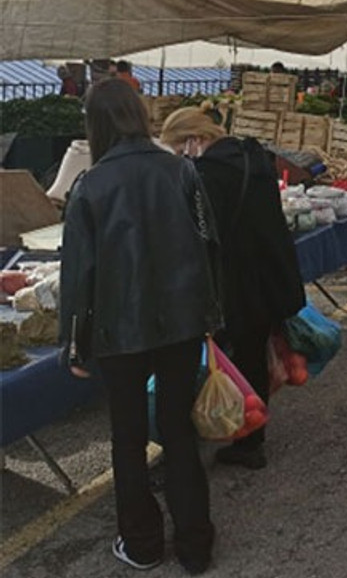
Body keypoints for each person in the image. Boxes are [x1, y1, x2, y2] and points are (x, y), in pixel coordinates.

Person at [61, 80, 219, 575]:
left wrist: (76, 346)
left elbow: (79, 275)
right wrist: (211, 314)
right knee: (177, 428)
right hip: (181, 323)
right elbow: (208, 242)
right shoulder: (181, 171)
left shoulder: (89, 187)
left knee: (127, 439)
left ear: (96, 125)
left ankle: (143, 544)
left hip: (118, 333)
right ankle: (196, 545)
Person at [160, 107, 306, 470]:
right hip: (268, 272)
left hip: (236, 280)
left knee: (227, 356)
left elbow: (204, 232)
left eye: (180, 149)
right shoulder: (253, 156)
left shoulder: (208, 174)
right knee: (252, 354)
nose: (181, 157)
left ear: (194, 139)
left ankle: (237, 435)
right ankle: (249, 433)